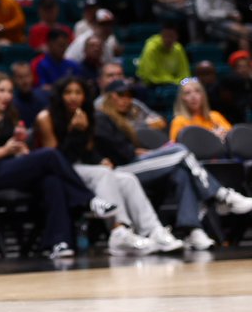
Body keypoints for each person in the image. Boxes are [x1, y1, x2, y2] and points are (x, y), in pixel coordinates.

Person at [0, 72, 109, 259]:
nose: (7, 95)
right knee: (49, 155)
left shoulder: (12, 118)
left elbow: (17, 150)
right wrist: (5, 150)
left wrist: (21, 149)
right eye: (1, 90)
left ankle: (60, 243)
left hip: (13, 169)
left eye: (9, 91)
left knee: (52, 180)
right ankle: (89, 200)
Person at [97, 78, 252, 251]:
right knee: (180, 151)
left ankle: (193, 229)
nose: (126, 99)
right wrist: (134, 153)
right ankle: (222, 195)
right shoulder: (101, 118)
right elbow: (119, 153)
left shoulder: (122, 119)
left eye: (129, 95)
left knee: (182, 174)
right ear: (109, 98)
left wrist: (140, 152)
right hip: (119, 170)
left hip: (132, 163)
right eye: (120, 95)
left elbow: (126, 149)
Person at [35, 76, 169, 255]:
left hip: (82, 168)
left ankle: (153, 230)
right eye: (68, 92)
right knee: (102, 174)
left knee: (127, 179)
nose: (73, 97)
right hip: (60, 172)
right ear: (59, 95)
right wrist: (74, 132)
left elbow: (87, 152)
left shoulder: (87, 115)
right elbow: (54, 159)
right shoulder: (46, 117)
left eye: (78, 92)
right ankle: (118, 231)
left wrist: (99, 159)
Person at [169, 77, 231, 142]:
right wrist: (211, 137)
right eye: (187, 93)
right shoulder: (179, 121)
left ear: (203, 95)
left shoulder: (214, 115)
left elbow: (232, 135)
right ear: (182, 99)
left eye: (197, 91)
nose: (193, 96)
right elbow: (176, 147)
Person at [135, 22, 191, 87]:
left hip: (175, 85)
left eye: (171, 36)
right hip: (152, 86)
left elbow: (185, 74)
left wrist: (178, 82)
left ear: (177, 37)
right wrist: (171, 81)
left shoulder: (178, 49)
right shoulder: (151, 48)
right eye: (165, 36)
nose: (168, 39)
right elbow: (149, 76)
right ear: (161, 35)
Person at [10, 60, 49, 129]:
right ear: (14, 79)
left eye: (27, 76)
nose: (25, 81)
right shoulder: (10, 103)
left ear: (32, 77)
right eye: (20, 77)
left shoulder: (44, 97)